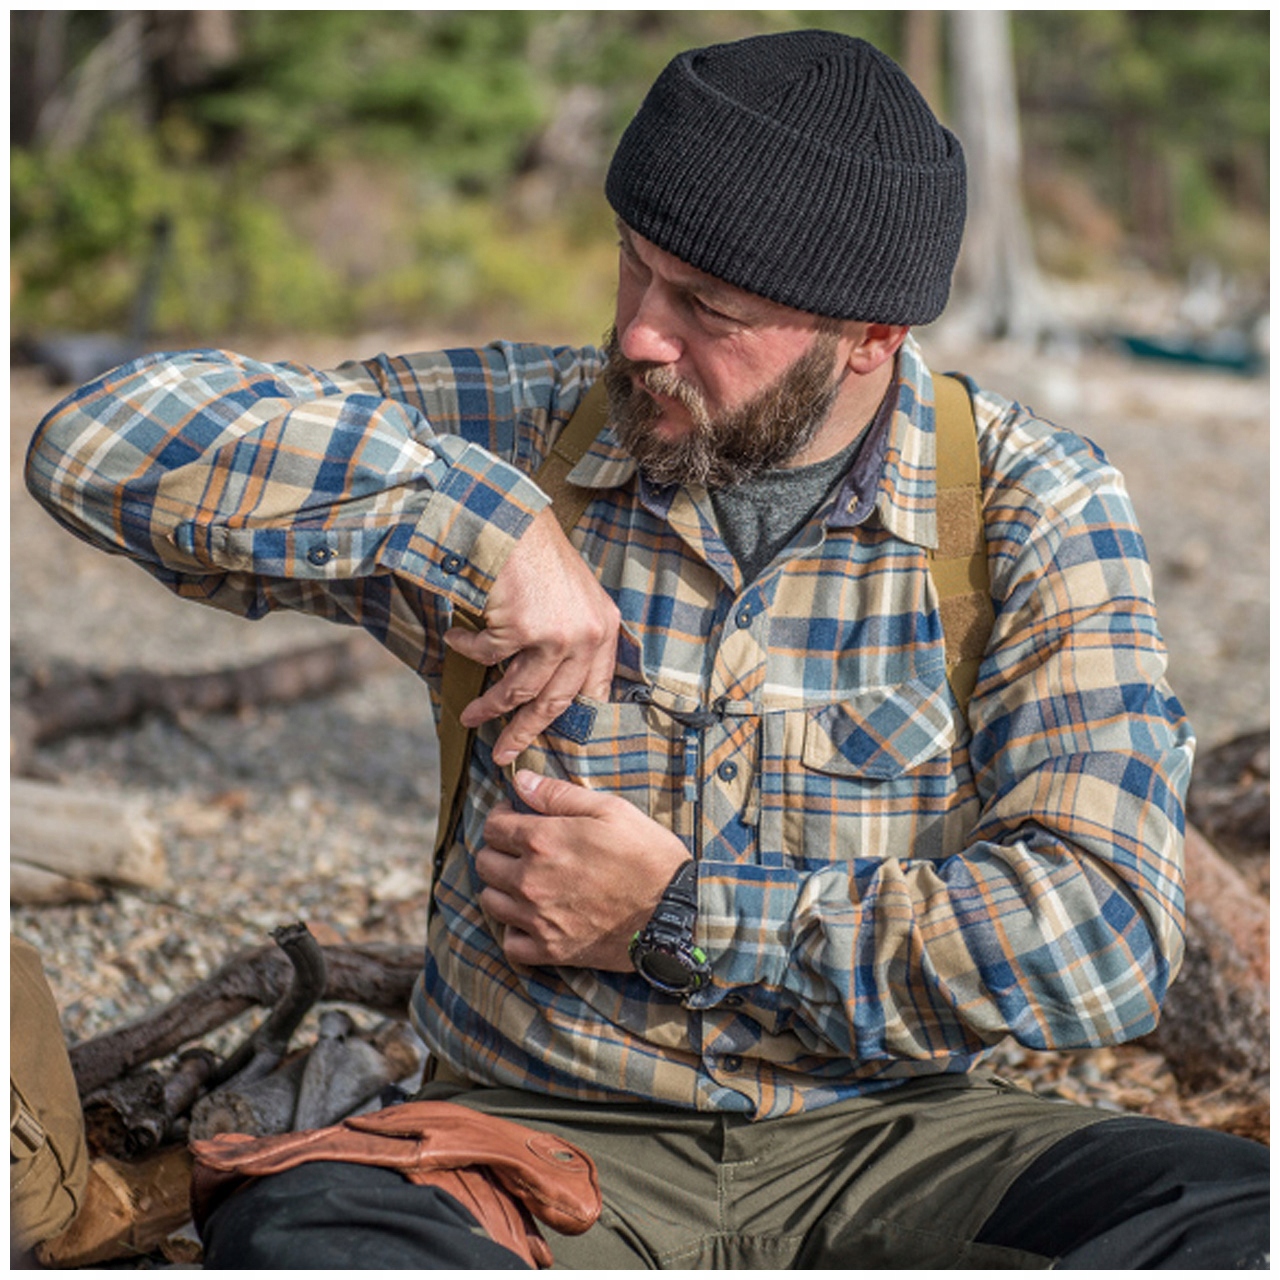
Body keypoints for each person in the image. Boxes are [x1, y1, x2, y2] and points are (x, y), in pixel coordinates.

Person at [26, 29, 1267, 1271]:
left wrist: (678, 913)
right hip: (528, 1135)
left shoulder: (1027, 506)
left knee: (1236, 1214)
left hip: (899, 1133)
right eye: (633, 265)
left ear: (870, 336)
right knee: (322, 1231)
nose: (637, 336)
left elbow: (1102, 938)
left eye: (707, 308)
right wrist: (479, 522)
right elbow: (94, 440)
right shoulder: (522, 430)